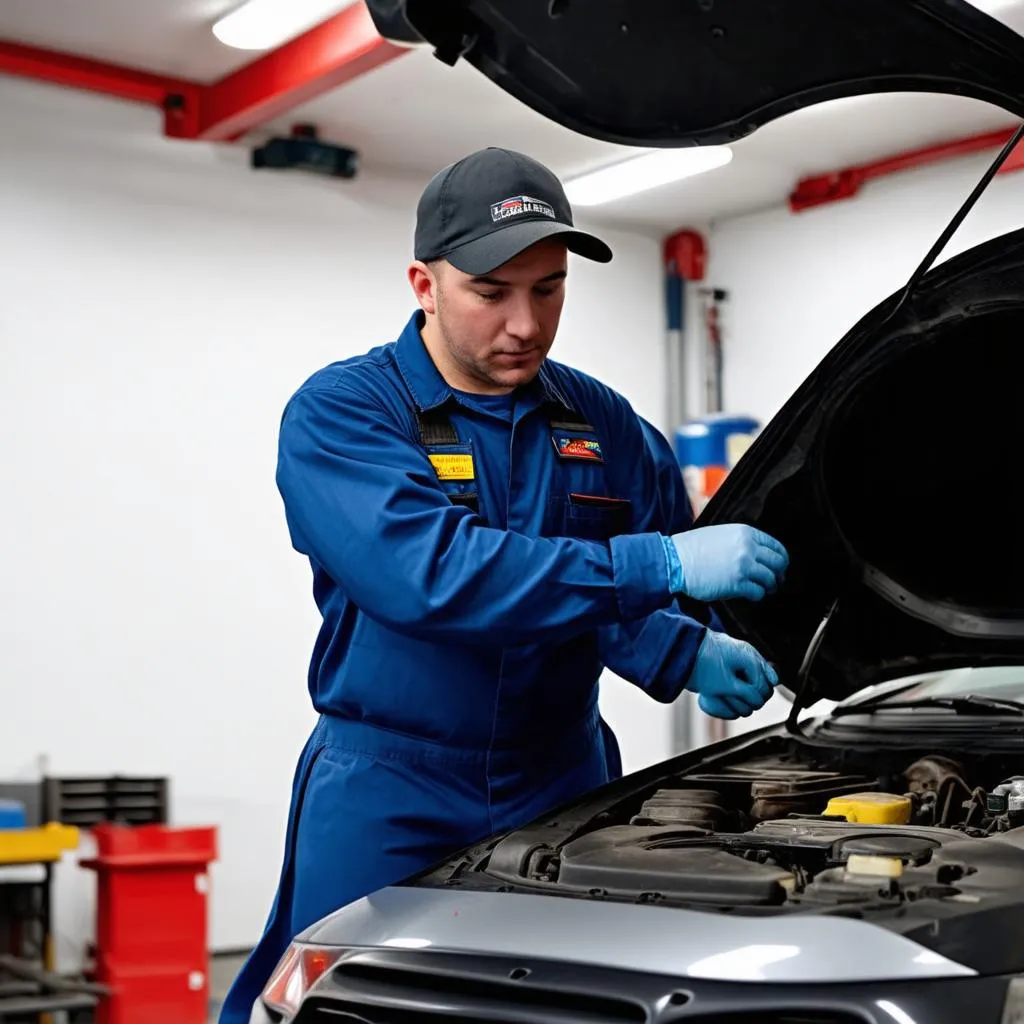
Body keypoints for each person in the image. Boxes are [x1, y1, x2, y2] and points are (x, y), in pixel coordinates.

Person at [220, 147, 788, 1023]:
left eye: (549, 289)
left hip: (559, 778)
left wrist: (686, 644)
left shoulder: (600, 422)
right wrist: (663, 564)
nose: (525, 323)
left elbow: (595, 598)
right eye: (492, 293)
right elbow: (434, 578)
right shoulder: (345, 413)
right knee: (340, 1007)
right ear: (424, 283)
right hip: (392, 787)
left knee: (569, 1006)